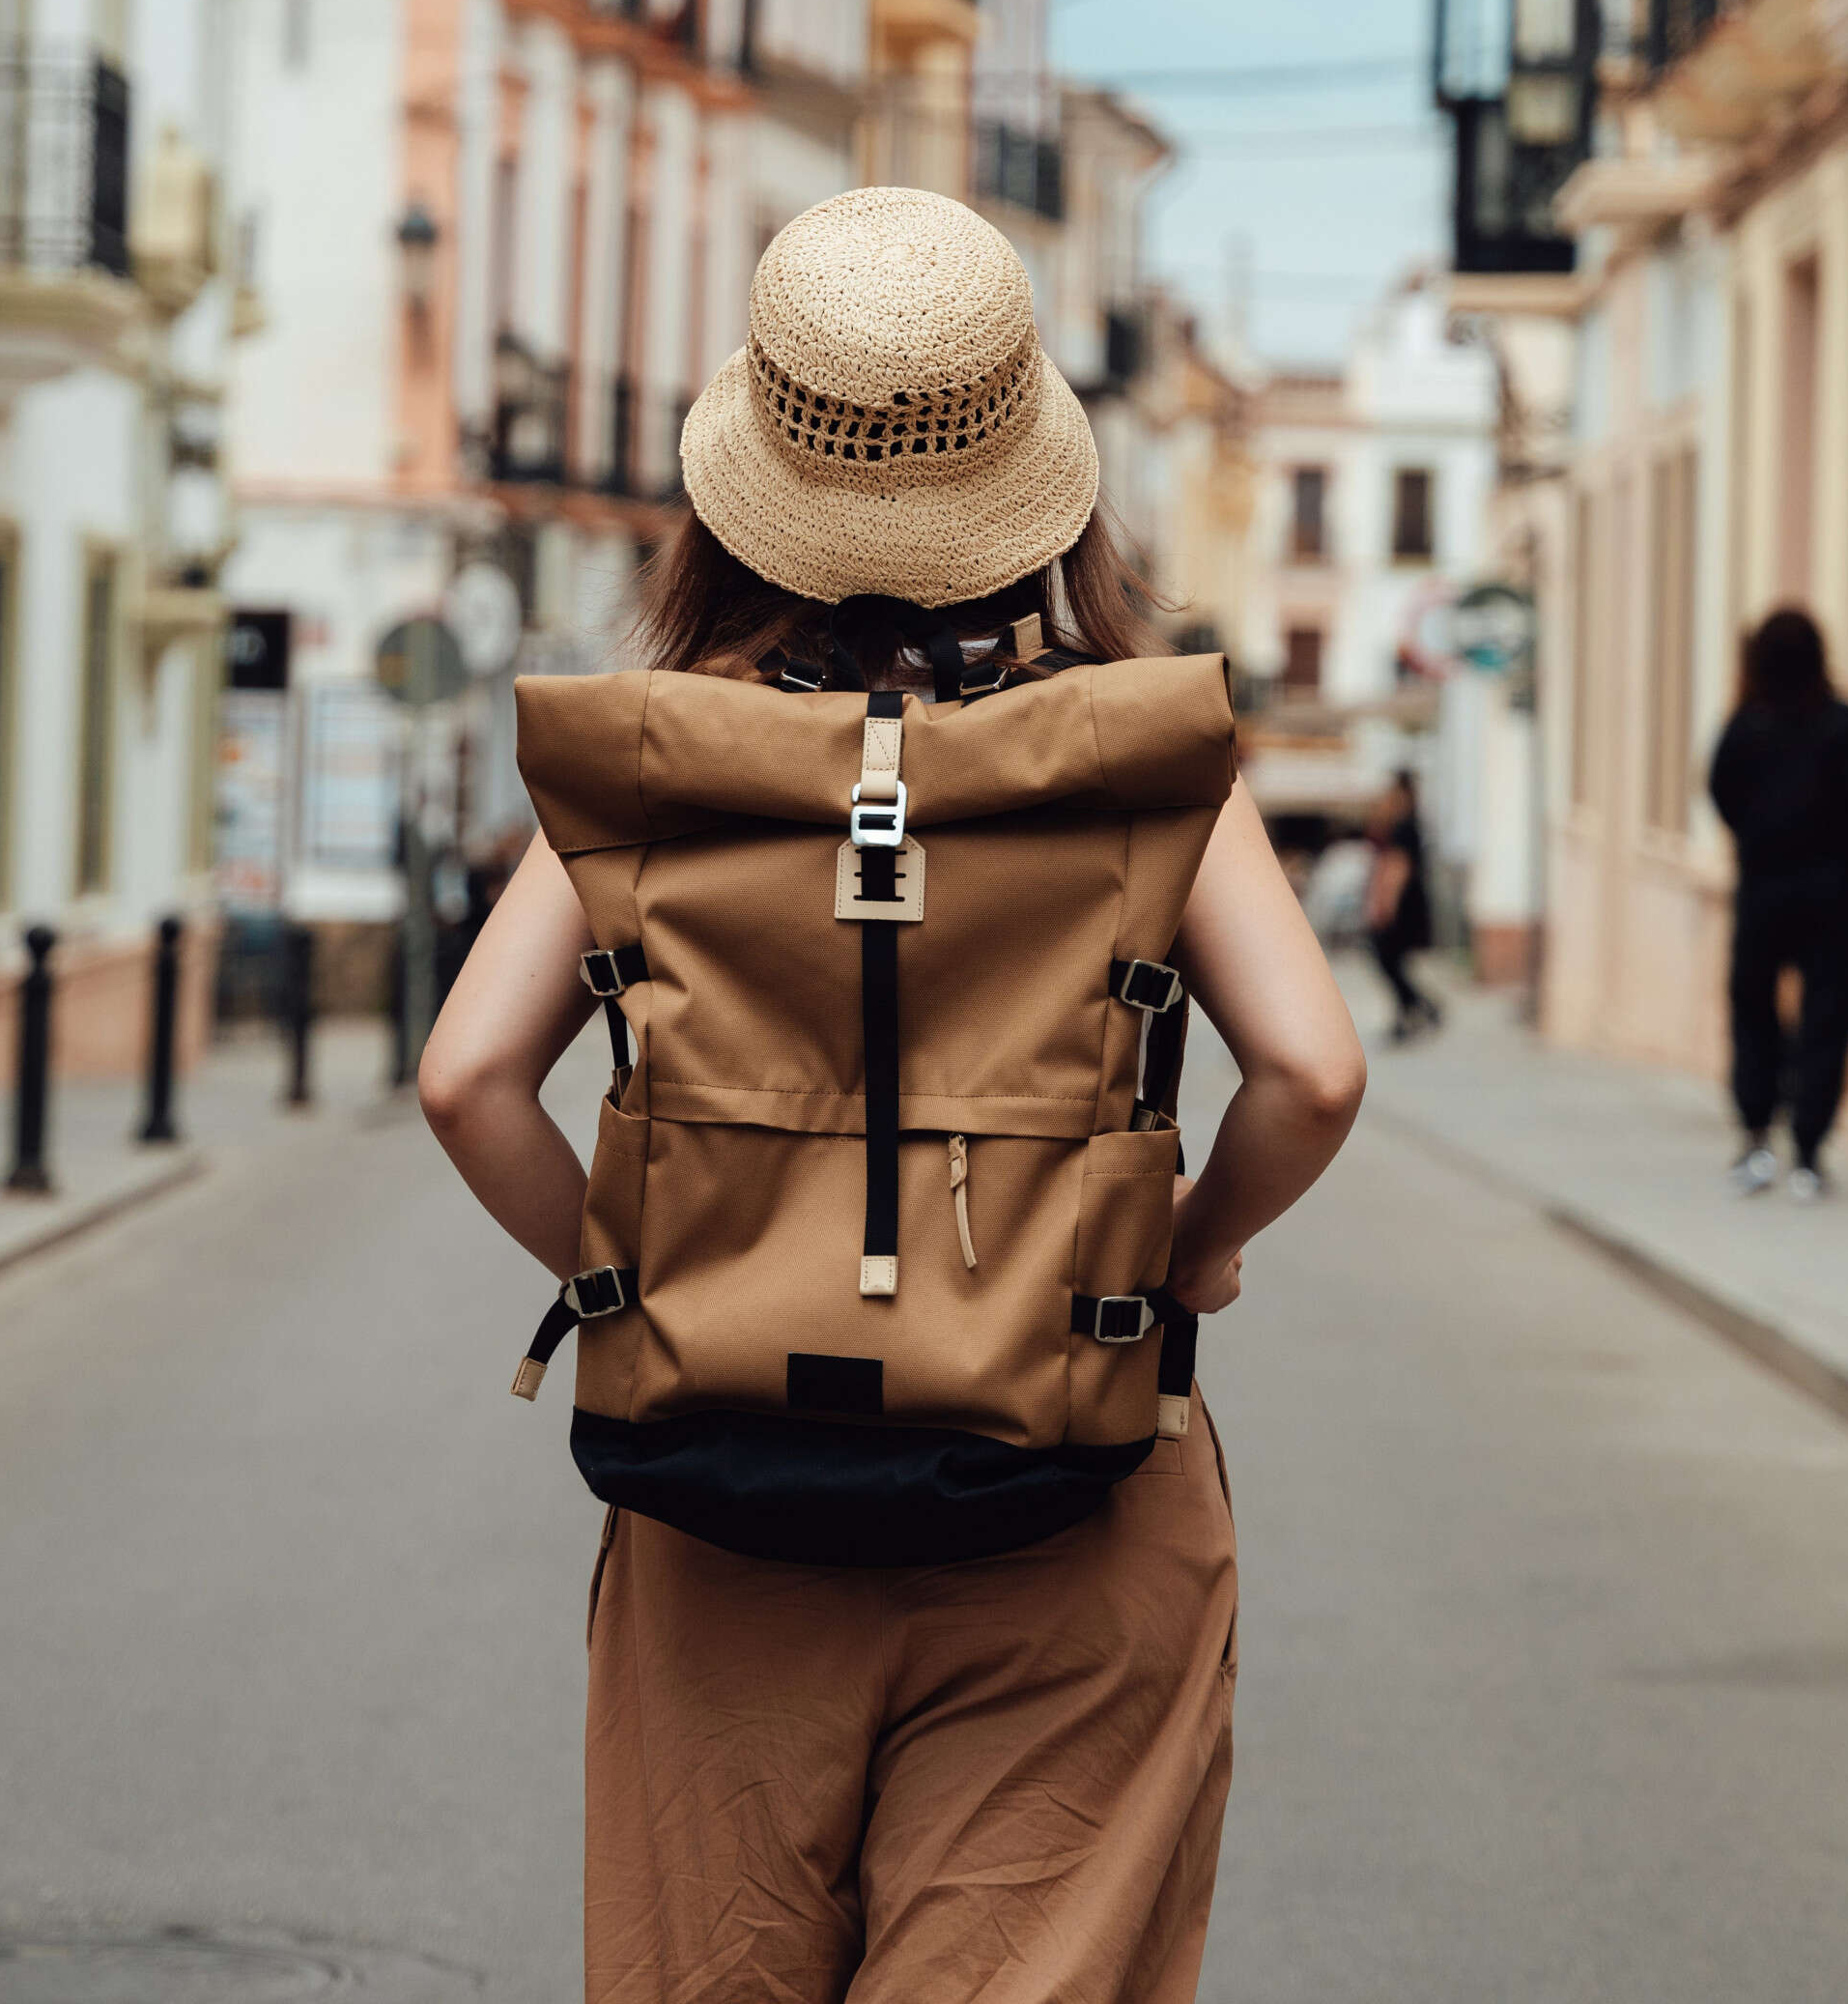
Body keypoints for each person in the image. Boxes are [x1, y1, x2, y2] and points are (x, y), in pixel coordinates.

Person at [417, 187, 1369, 2004]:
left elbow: (469, 1077)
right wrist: (1178, 1255)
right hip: (1068, 1481)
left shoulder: (660, 750)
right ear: (1035, 467)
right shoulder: (1136, 756)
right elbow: (1312, 1070)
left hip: (726, 1513)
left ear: (746, 469)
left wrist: (637, 1283)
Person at [1704, 605, 1848, 1202]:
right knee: (1828, 1015)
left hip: (1765, 890)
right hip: (1831, 893)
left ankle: (1755, 1135)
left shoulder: (1746, 725)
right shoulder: (1839, 723)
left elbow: (1720, 791)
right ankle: (1807, 1148)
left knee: (1754, 1011)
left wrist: (1758, 835)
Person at [1362, 771, 1440, 1044]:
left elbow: (1396, 869)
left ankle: (1416, 1009)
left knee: (1388, 960)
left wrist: (1384, 906)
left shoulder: (1404, 827)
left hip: (1401, 903)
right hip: (1409, 901)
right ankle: (1414, 1010)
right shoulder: (1410, 824)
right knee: (1393, 962)